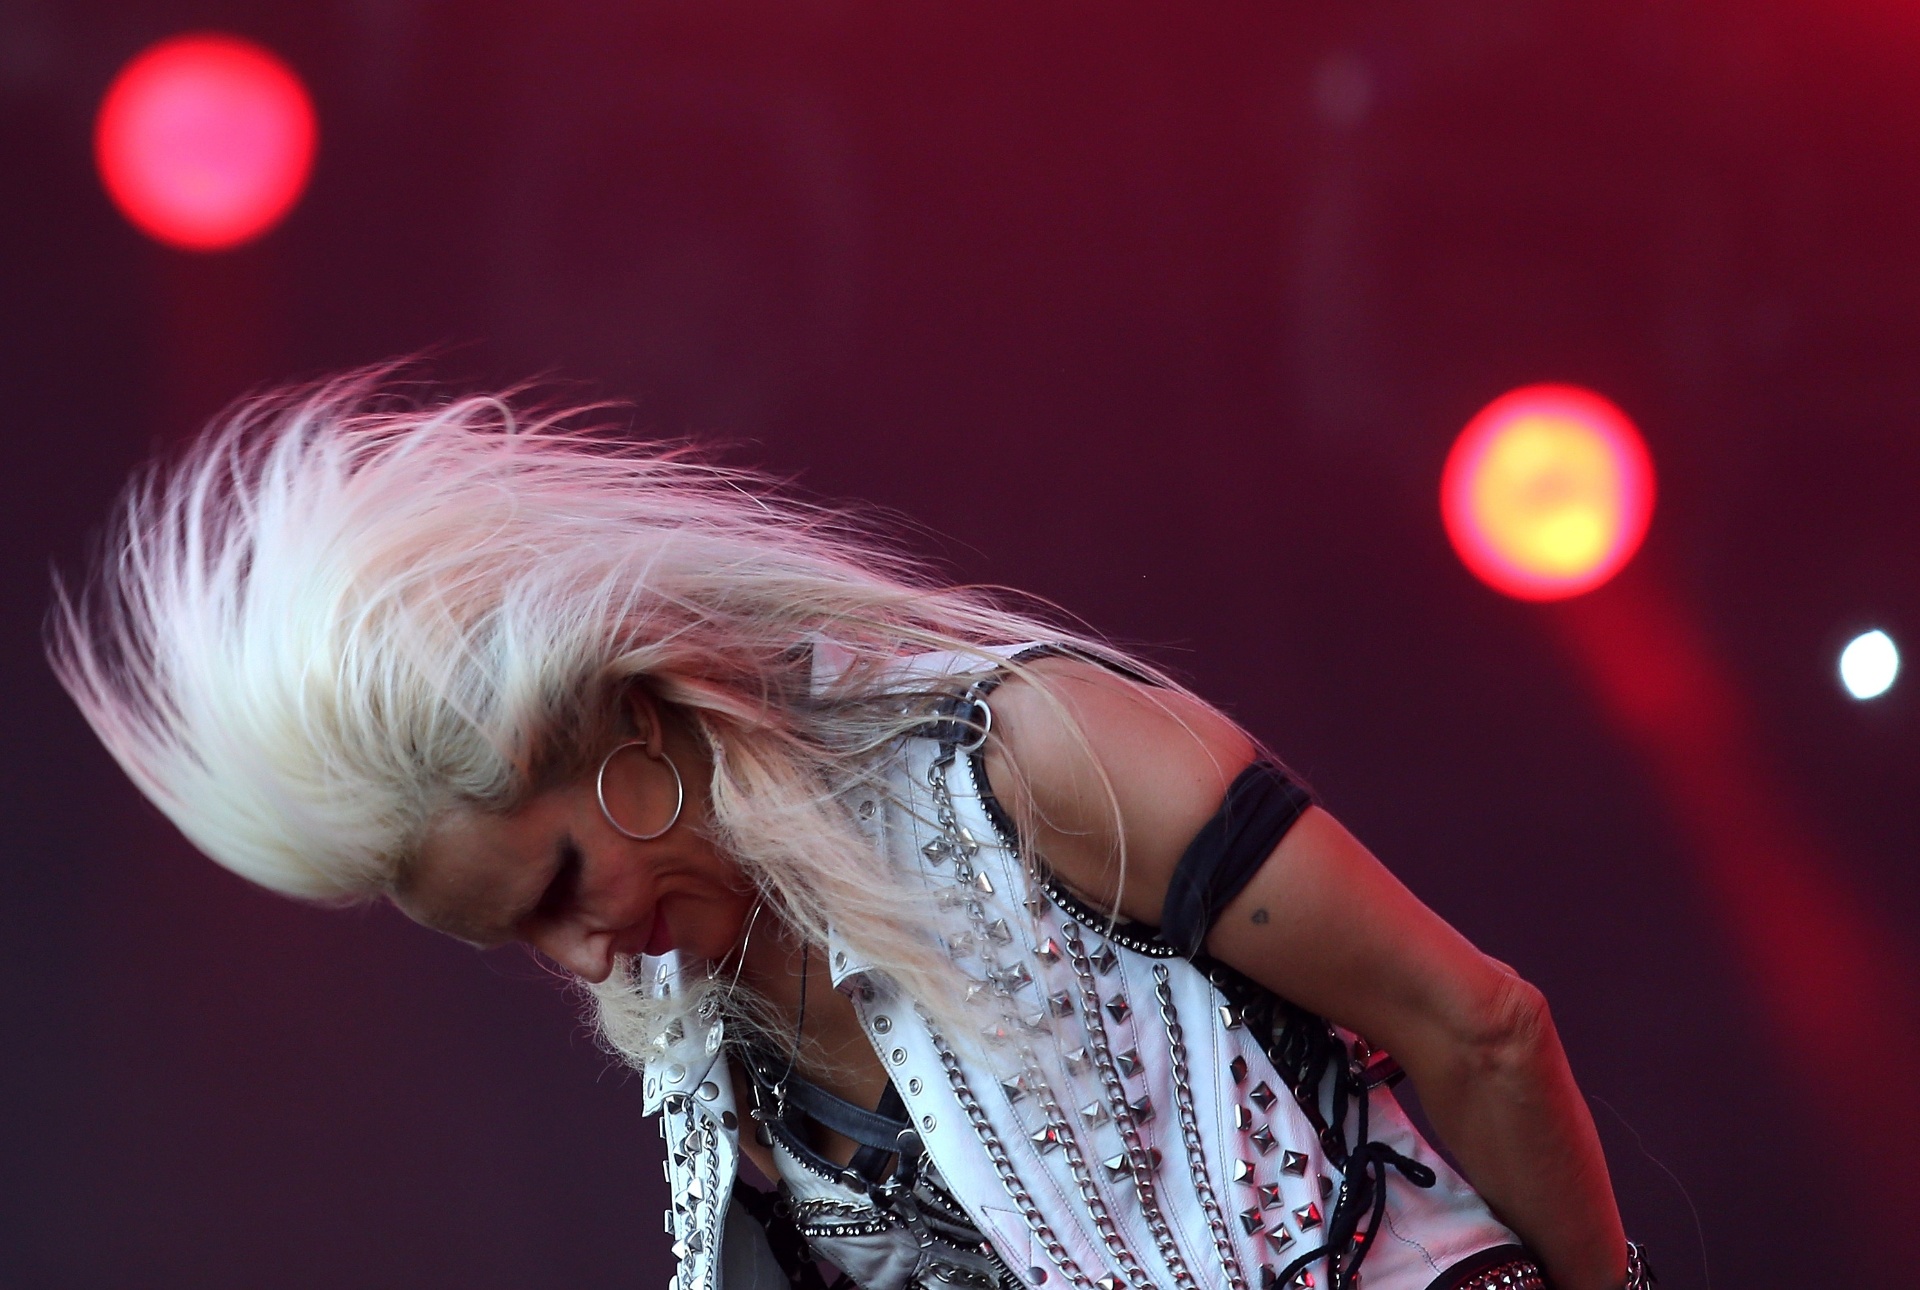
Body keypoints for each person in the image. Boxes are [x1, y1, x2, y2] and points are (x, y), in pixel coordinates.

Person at [50, 378, 1649, 1290]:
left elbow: (1483, 1024)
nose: (580, 953)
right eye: (518, 939)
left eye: (557, 884)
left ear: (630, 724)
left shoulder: (1031, 752)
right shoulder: (717, 1038)